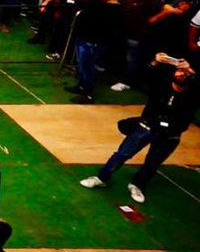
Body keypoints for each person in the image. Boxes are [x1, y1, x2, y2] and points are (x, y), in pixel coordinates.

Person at [80, 54, 199, 203]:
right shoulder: (162, 83)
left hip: (171, 135)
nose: (181, 74)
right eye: (179, 71)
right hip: (147, 127)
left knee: (152, 163)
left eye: (185, 73)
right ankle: (101, 177)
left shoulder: (193, 94)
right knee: (122, 154)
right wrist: (155, 61)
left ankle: (137, 185)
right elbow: (145, 74)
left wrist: (191, 70)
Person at [66, 0, 123, 104]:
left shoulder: (115, 9)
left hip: (92, 41)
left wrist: (88, 0)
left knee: (88, 68)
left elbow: (96, 15)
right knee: (81, 65)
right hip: (83, 37)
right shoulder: (101, 4)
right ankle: (81, 86)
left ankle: (88, 94)